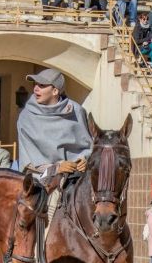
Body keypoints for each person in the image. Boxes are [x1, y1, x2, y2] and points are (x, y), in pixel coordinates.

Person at [15, 67, 93, 230]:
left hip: (78, 177)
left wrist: (85, 160)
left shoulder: (77, 111)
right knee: (39, 217)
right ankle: (38, 253)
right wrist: (57, 167)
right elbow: (28, 163)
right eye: (35, 84)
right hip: (43, 181)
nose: (36, 88)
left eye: (42, 85)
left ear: (55, 90)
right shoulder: (26, 117)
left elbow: (88, 145)